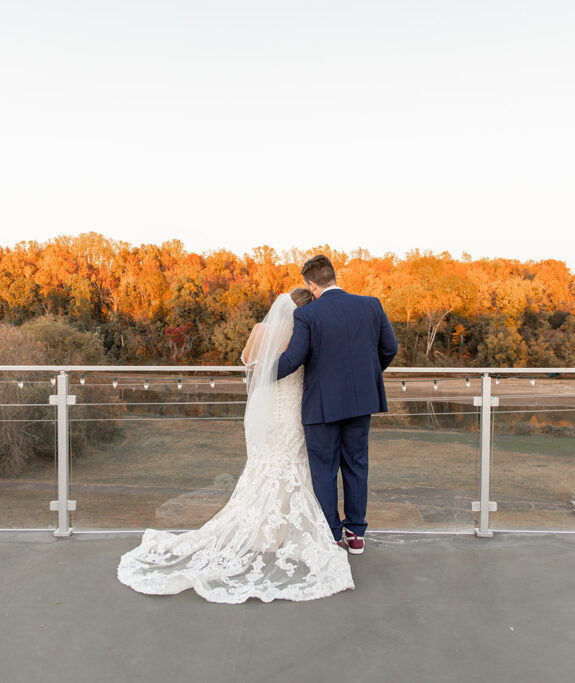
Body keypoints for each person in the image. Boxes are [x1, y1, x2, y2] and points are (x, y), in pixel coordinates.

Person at [117, 288, 354, 604]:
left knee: (264, 464)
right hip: (289, 408)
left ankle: (260, 531)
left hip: (261, 406)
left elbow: (249, 364)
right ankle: (279, 533)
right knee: (290, 463)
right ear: (306, 311)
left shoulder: (260, 331)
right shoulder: (306, 332)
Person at [277, 255, 399, 554]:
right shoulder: (371, 305)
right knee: (357, 466)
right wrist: (367, 376)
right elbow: (390, 348)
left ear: (311, 284)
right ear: (333, 277)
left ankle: (331, 534)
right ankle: (356, 535)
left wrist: (259, 375)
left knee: (324, 470)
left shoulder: (307, 315)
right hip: (360, 401)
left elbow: (293, 360)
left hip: (321, 405)